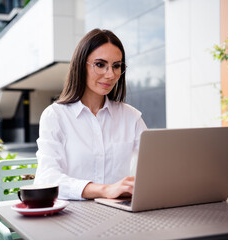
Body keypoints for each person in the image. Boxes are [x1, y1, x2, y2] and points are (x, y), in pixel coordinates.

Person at [33, 28, 147, 200]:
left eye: (116, 66)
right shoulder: (55, 116)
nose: (110, 74)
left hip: (119, 215)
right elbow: (47, 178)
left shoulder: (131, 117)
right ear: (81, 65)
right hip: (70, 217)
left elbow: (156, 167)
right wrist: (103, 190)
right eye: (100, 65)